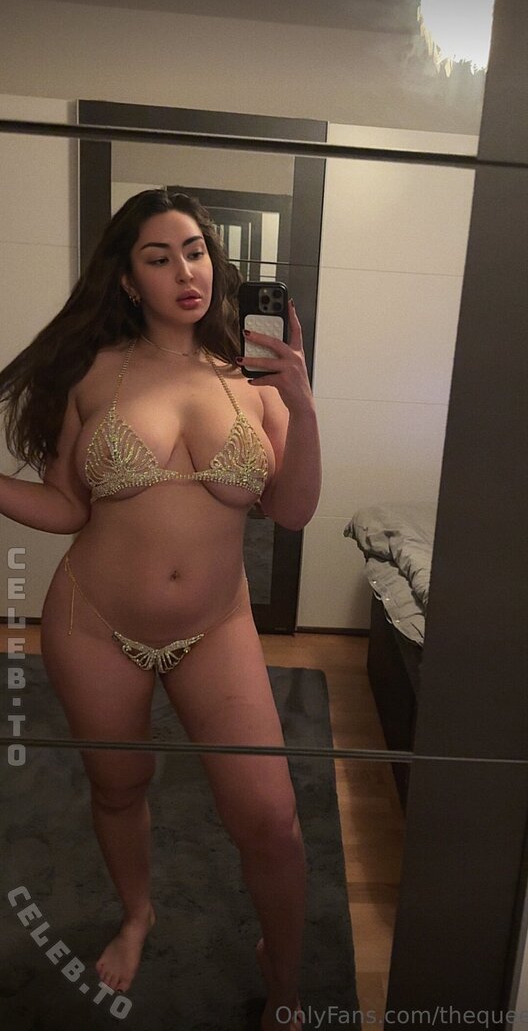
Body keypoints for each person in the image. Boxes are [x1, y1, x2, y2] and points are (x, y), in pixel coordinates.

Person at [0, 188, 322, 1031]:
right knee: (119, 787)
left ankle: (283, 975)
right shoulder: (92, 375)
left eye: (195, 251)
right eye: (159, 256)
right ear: (126, 278)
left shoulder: (255, 380)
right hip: (94, 623)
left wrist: (302, 402)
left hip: (216, 627)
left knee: (272, 819)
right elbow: (66, 506)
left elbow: (291, 511)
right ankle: (137, 914)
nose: (186, 272)